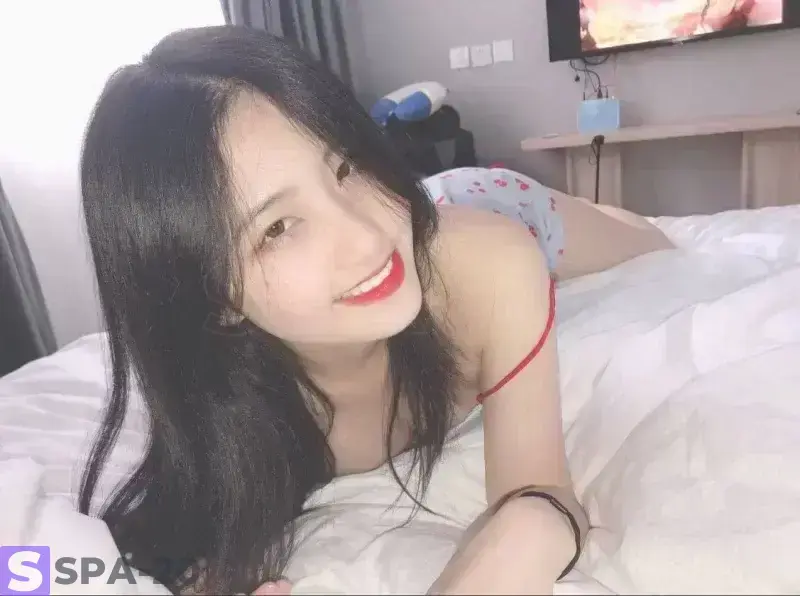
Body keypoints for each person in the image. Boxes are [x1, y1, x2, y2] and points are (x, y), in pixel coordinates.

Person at [77, 25, 673, 595]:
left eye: (346, 165)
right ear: (212, 297)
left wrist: (525, 532)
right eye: (278, 228)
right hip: (429, 229)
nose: (366, 237)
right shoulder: (222, 405)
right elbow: (53, 567)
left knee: (651, 241)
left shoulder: (492, 262)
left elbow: (539, 489)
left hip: (480, 213)